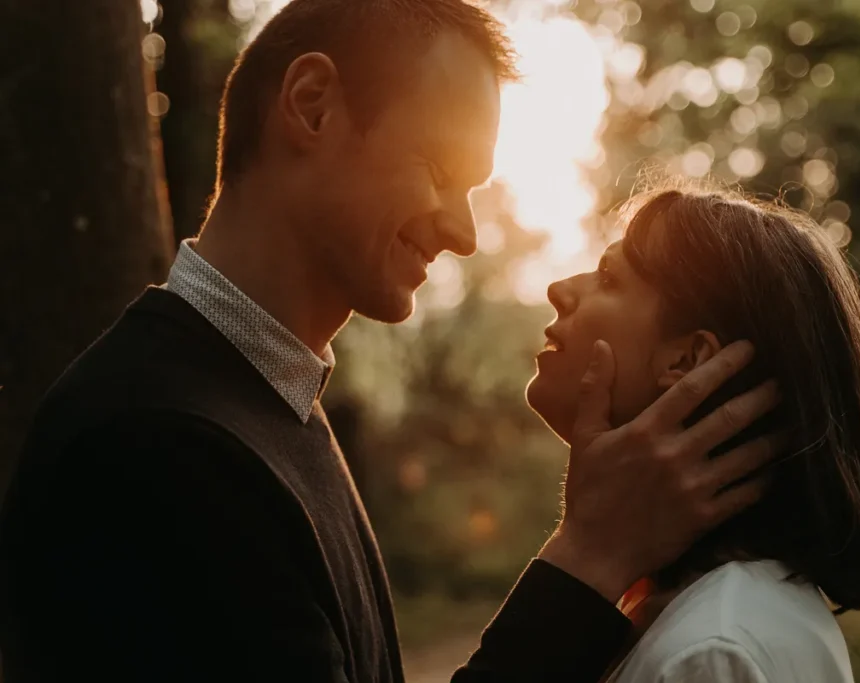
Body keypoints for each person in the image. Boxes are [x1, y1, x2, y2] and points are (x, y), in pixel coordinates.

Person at [0, 2, 785, 682]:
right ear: (312, 106)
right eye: (443, 170)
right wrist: (589, 558)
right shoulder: (159, 442)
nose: (464, 231)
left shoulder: (269, 401)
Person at [525, 185, 860, 683]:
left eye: (608, 278)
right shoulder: (674, 614)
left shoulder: (712, 655)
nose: (560, 289)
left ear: (688, 361)